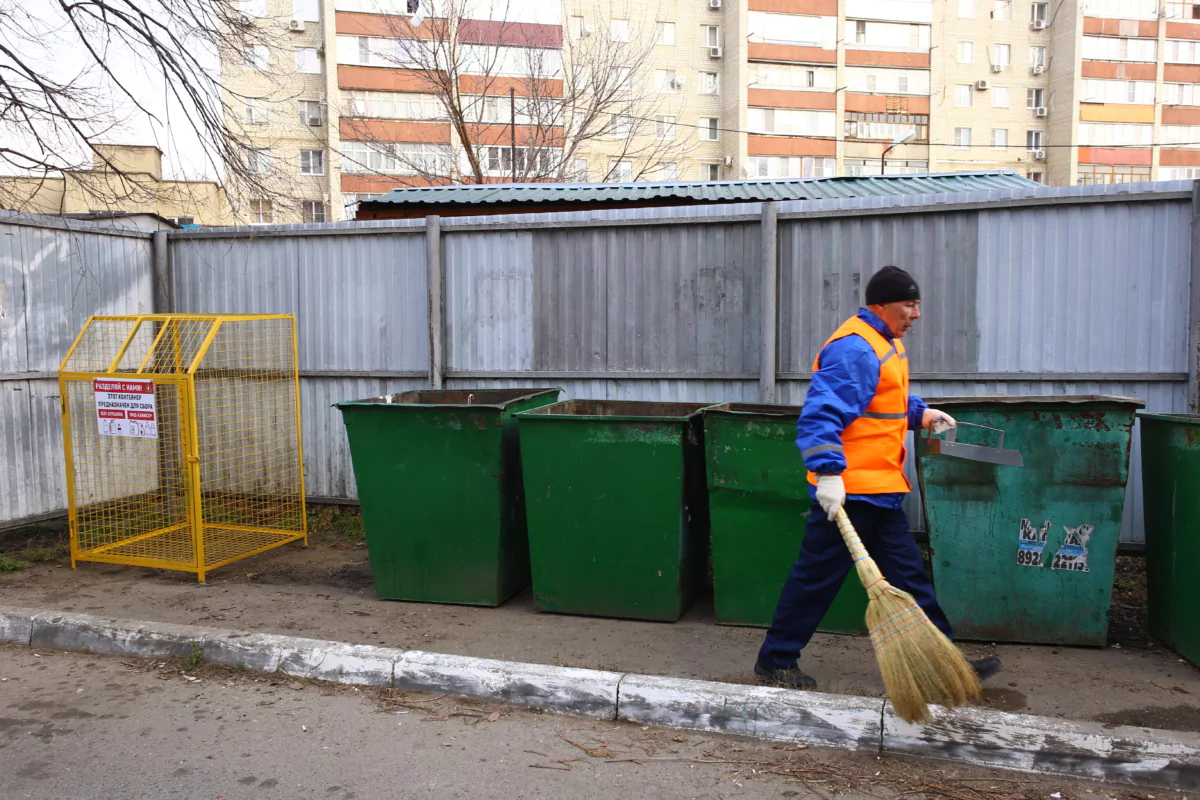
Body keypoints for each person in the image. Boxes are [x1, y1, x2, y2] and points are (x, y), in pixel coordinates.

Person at [754, 266, 1002, 690]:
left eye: (917, 304)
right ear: (882, 306)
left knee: (909, 580)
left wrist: (920, 414)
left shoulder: (883, 344)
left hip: (880, 490)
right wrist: (830, 475)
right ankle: (776, 661)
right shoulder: (855, 349)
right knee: (815, 580)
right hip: (850, 495)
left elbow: (880, 402)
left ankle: (945, 662)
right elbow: (819, 418)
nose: (916, 314)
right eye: (909, 304)